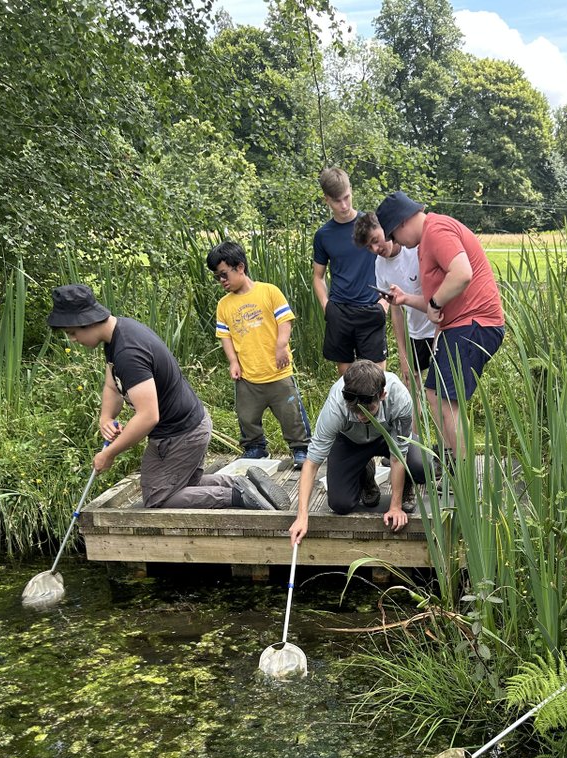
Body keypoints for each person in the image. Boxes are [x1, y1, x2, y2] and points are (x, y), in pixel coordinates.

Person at [46, 284, 273, 510]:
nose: (73, 340)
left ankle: (238, 495)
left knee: (158, 498)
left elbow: (148, 416)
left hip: (181, 434)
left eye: (73, 333)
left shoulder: (128, 352)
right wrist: (105, 417)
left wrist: (109, 453)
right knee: (182, 483)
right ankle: (242, 483)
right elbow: (111, 385)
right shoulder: (116, 334)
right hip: (186, 427)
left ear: (87, 321)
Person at [374, 191, 504, 458]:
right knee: (434, 394)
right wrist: (406, 298)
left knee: (446, 402)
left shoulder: (437, 229)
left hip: (474, 324)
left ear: (400, 223)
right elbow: (438, 298)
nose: (396, 242)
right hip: (460, 325)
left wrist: (433, 305)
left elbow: (462, 274)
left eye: (393, 236)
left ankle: (463, 477)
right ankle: (449, 457)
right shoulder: (425, 242)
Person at [289, 360, 425, 543]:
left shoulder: (399, 398)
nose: (361, 416)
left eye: (369, 409)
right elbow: (312, 463)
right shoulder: (336, 406)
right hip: (350, 441)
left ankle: (406, 484)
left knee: (422, 467)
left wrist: (395, 506)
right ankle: (365, 473)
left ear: (382, 395)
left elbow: (398, 457)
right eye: (355, 410)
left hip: (387, 437)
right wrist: (302, 516)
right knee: (340, 504)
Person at [206, 240, 311, 467]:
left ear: (240, 267)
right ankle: (255, 448)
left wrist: (281, 346)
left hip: (278, 372)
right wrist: (233, 362)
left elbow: (285, 321)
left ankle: (301, 448)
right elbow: (225, 337)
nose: (221, 281)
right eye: (217, 277)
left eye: (224, 274)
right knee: (246, 415)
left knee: (291, 414)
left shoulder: (269, 292)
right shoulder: (224, 305)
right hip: (248, 375)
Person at [313, 168, 388, 376]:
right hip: (340, 312)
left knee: (377, 377)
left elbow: (391, 260)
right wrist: (326, 306)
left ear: (351, 190)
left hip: (371, 308)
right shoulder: (323, 235)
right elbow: (318, 276)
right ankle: (351, 410)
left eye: (347, 197)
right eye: (337, 201)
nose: (344, 205)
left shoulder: (373, 225)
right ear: (326, 199)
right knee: (346, 379)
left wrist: (385, 304)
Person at [352, 211, 436, 396]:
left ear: (385, 228)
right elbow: (396, 311)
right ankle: (417, 425)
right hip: (415, 332)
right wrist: (404, 357)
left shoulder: (415, 248)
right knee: (412, 387)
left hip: (440, 326)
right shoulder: (380, 266)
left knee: (441, 393)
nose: (375, 249)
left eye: (376, 240)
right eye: (368, 247)